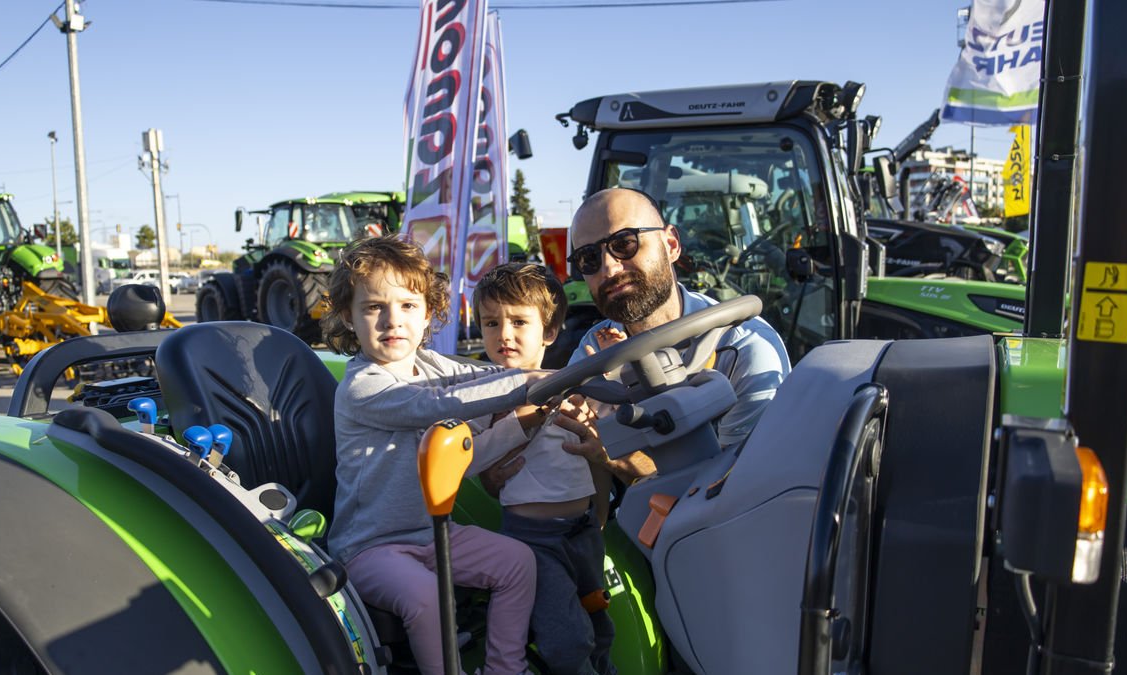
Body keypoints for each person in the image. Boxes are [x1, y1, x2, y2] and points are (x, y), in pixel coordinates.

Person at [323, 236, 547, 675]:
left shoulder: (429, 364)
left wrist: (552, 375)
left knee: (518, 562)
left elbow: (479, 376)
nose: (393, 320)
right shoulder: (361, 386)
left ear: (428, 315)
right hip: (370, 548)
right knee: (428, 594)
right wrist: (528, 383)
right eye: (373, 308)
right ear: (348, 318)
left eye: (408, 306)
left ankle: (504, 668)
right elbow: (437, 406)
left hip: (432, 535)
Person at [491, 187, 791, 486]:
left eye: (624, 243)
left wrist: (611, 454)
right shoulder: (596, 347)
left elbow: (737, 490)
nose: (608, 267)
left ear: (671, 244)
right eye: (588, 258)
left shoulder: (745, 348)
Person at [472, 263, 615, 675]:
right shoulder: (484, 396)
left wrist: (610, 364)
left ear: (549, 331)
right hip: (533, 541)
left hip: (584, 529)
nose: (504, 334)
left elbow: (609, 421)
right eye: (491, 323)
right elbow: (469, 461)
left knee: (598, 622)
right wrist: (514, 423)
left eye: (519, 321)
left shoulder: (568, 383)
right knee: (566, 639)